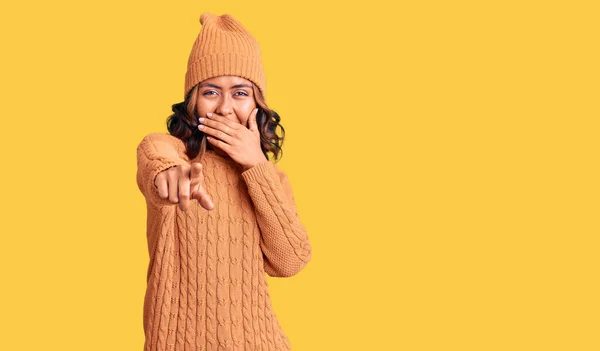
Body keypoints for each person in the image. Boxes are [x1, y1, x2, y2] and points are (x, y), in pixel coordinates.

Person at [135, 12, 312, 351]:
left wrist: (256, 165)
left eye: (241, 93)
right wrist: (171, 178)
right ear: (192, 101)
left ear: (258, 106)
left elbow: (290, 261)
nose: (225, 109)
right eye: (212, 92)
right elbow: (157, 165)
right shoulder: (166, 149)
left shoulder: (269, 179)